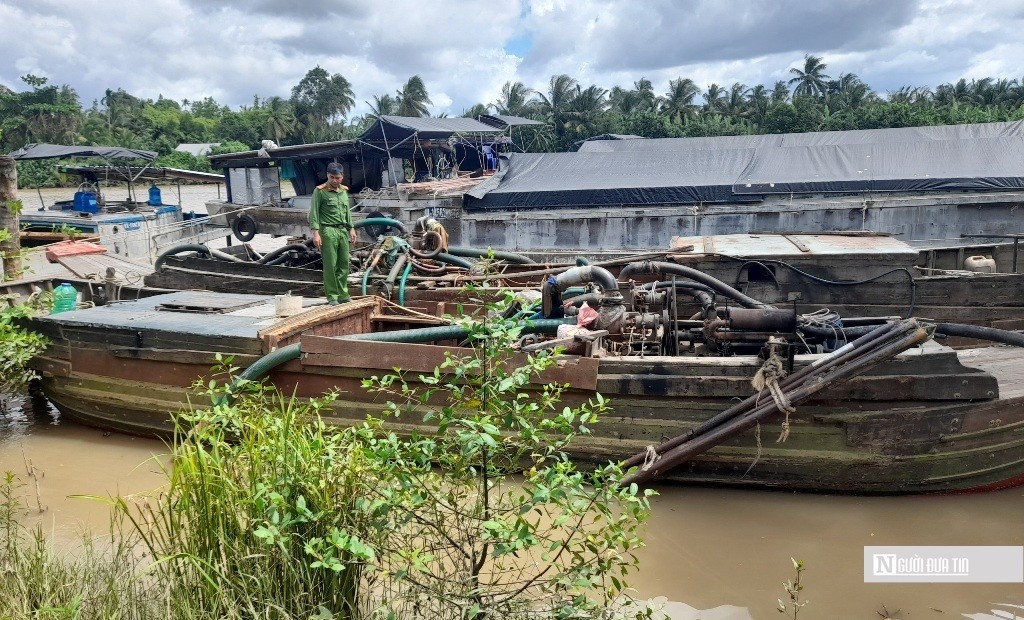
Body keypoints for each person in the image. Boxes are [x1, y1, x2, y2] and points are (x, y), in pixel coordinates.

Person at [309, 162, 358, 305]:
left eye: (338, 178)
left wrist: (351, 228)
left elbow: (347, 211)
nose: (335, 180)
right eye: (332, 177)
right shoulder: (320, 192)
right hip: (328, 231)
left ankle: (343, 294)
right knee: (331, 265)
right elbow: (314, 213)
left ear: (342, 176)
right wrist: (316, 233)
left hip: (342, 230)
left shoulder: (344, 191)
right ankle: (332, 296)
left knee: (344, 263)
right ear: (327, 176)